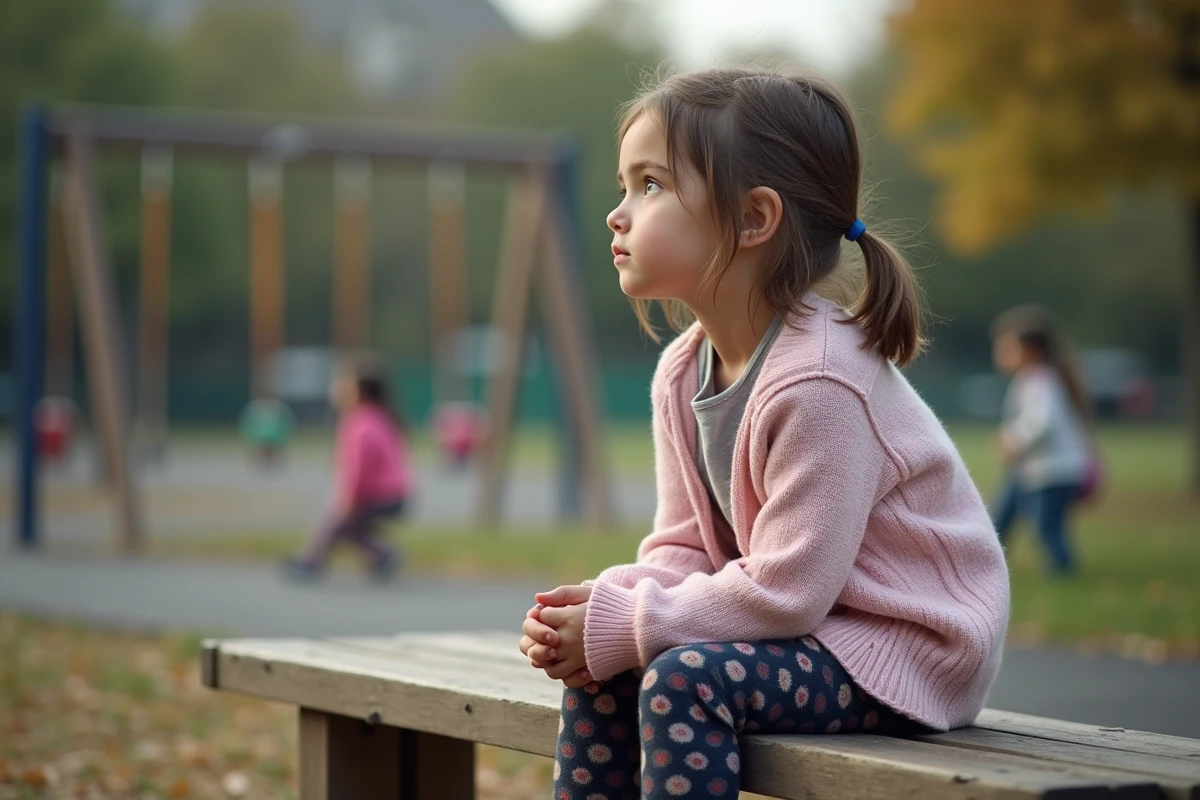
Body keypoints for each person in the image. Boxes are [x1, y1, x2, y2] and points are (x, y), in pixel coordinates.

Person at [517, 67, 1010, 800]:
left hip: (901, 651)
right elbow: (685, 548)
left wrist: (631, 621)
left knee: (681, 679)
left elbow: (787, 591)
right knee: (604, 663)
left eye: (650, 185)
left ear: (754, 218)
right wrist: (600, 605)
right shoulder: (681, 372)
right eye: (624, 187)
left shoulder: (820, 380)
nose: (618, 214)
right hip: (806, 634)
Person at [284, 355, 413, 581]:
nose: (335, 391)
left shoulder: (359, 423)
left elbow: (358, 469)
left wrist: (349, 499)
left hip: (377, 494)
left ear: (359, 393)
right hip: (394, 493)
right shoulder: (380, 417)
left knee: (333, 523)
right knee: (352, 528)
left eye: (341, 385)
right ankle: (382, 554)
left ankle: (311, 561)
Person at [990, 305, 1094, 575]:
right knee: (1001, 518)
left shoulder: (1040, 381)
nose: (1000, 353)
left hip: (1052, 473)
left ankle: (1063, 569)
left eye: (1008, 348)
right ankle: (987, 563)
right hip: (1034, 471)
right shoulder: (1032, 380)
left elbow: (1041, 423)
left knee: (1047, 528)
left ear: (1031, 351)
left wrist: (1014, 442)